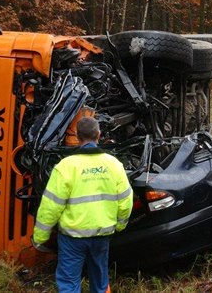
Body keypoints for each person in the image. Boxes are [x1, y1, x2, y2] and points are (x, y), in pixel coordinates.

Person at [32, 116, 133, 293]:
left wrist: (40, 237)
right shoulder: (114, 165)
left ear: (77, 137)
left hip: (72, 238)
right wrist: (120, 225)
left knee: (69, 284)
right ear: (99, 135)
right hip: (101, 236)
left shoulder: (65, 167)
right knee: (100, 283)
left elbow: (50, 206)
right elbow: (126, 200)